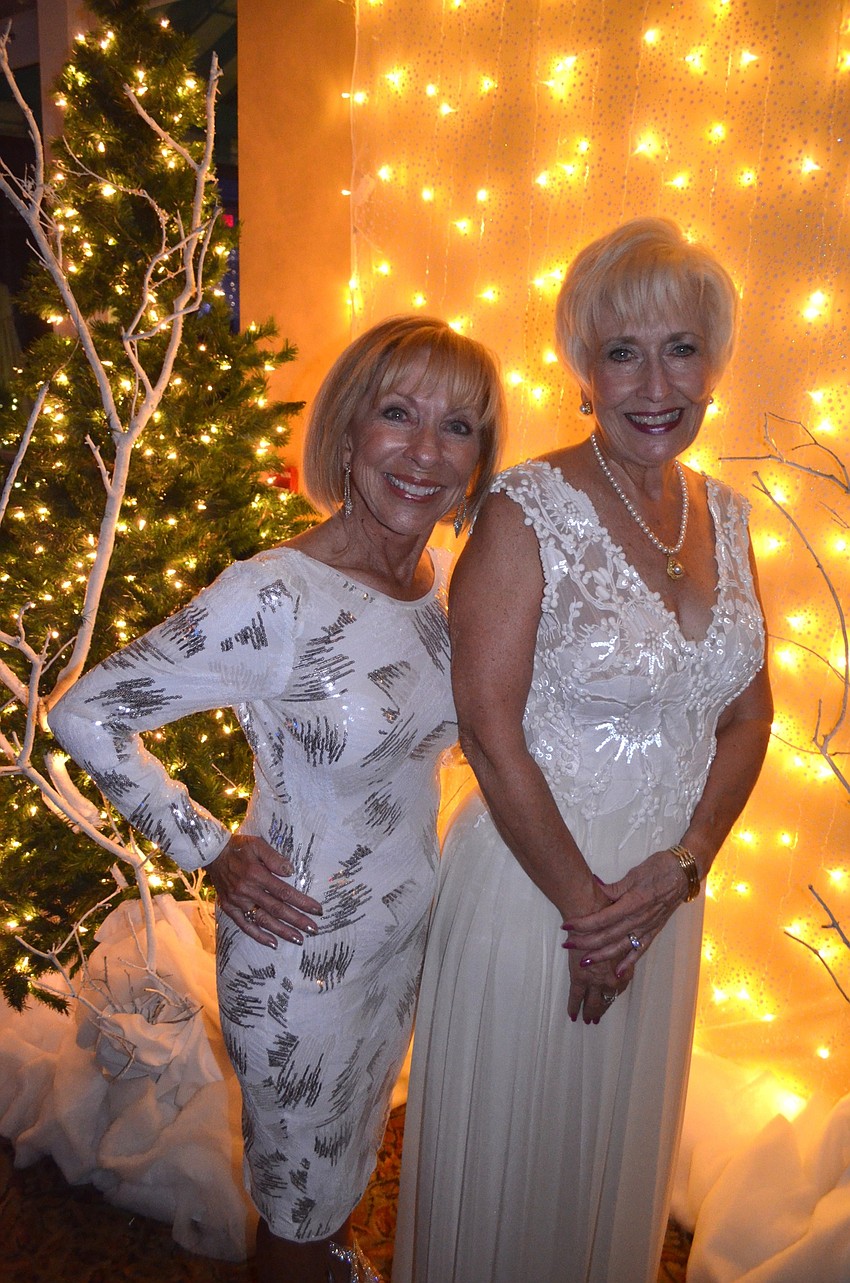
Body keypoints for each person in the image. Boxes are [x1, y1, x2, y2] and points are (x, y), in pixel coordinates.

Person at [48, 315, 505, 1283]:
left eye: (457, 426)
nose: (426, 451)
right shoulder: (274, 597)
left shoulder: (441, 583)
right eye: (398, 413)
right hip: (300, 959)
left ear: (478, 457)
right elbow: (86, 713)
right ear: (347, 431)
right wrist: (206, 846)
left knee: (336, 1184)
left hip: (398, 941)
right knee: (294, 1211)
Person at [393, 217, 773, 1283]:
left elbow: (748, 717)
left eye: (680, 347)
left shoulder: (731, 516)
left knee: (607, 1171)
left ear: (715, 358)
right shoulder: (525, 508)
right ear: (583, 372)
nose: (654, 382)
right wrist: (590, 915)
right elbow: (488, 726)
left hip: (661, 896)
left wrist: (684, 865)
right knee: (517, 1178)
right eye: (621, 351)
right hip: (540, 895)